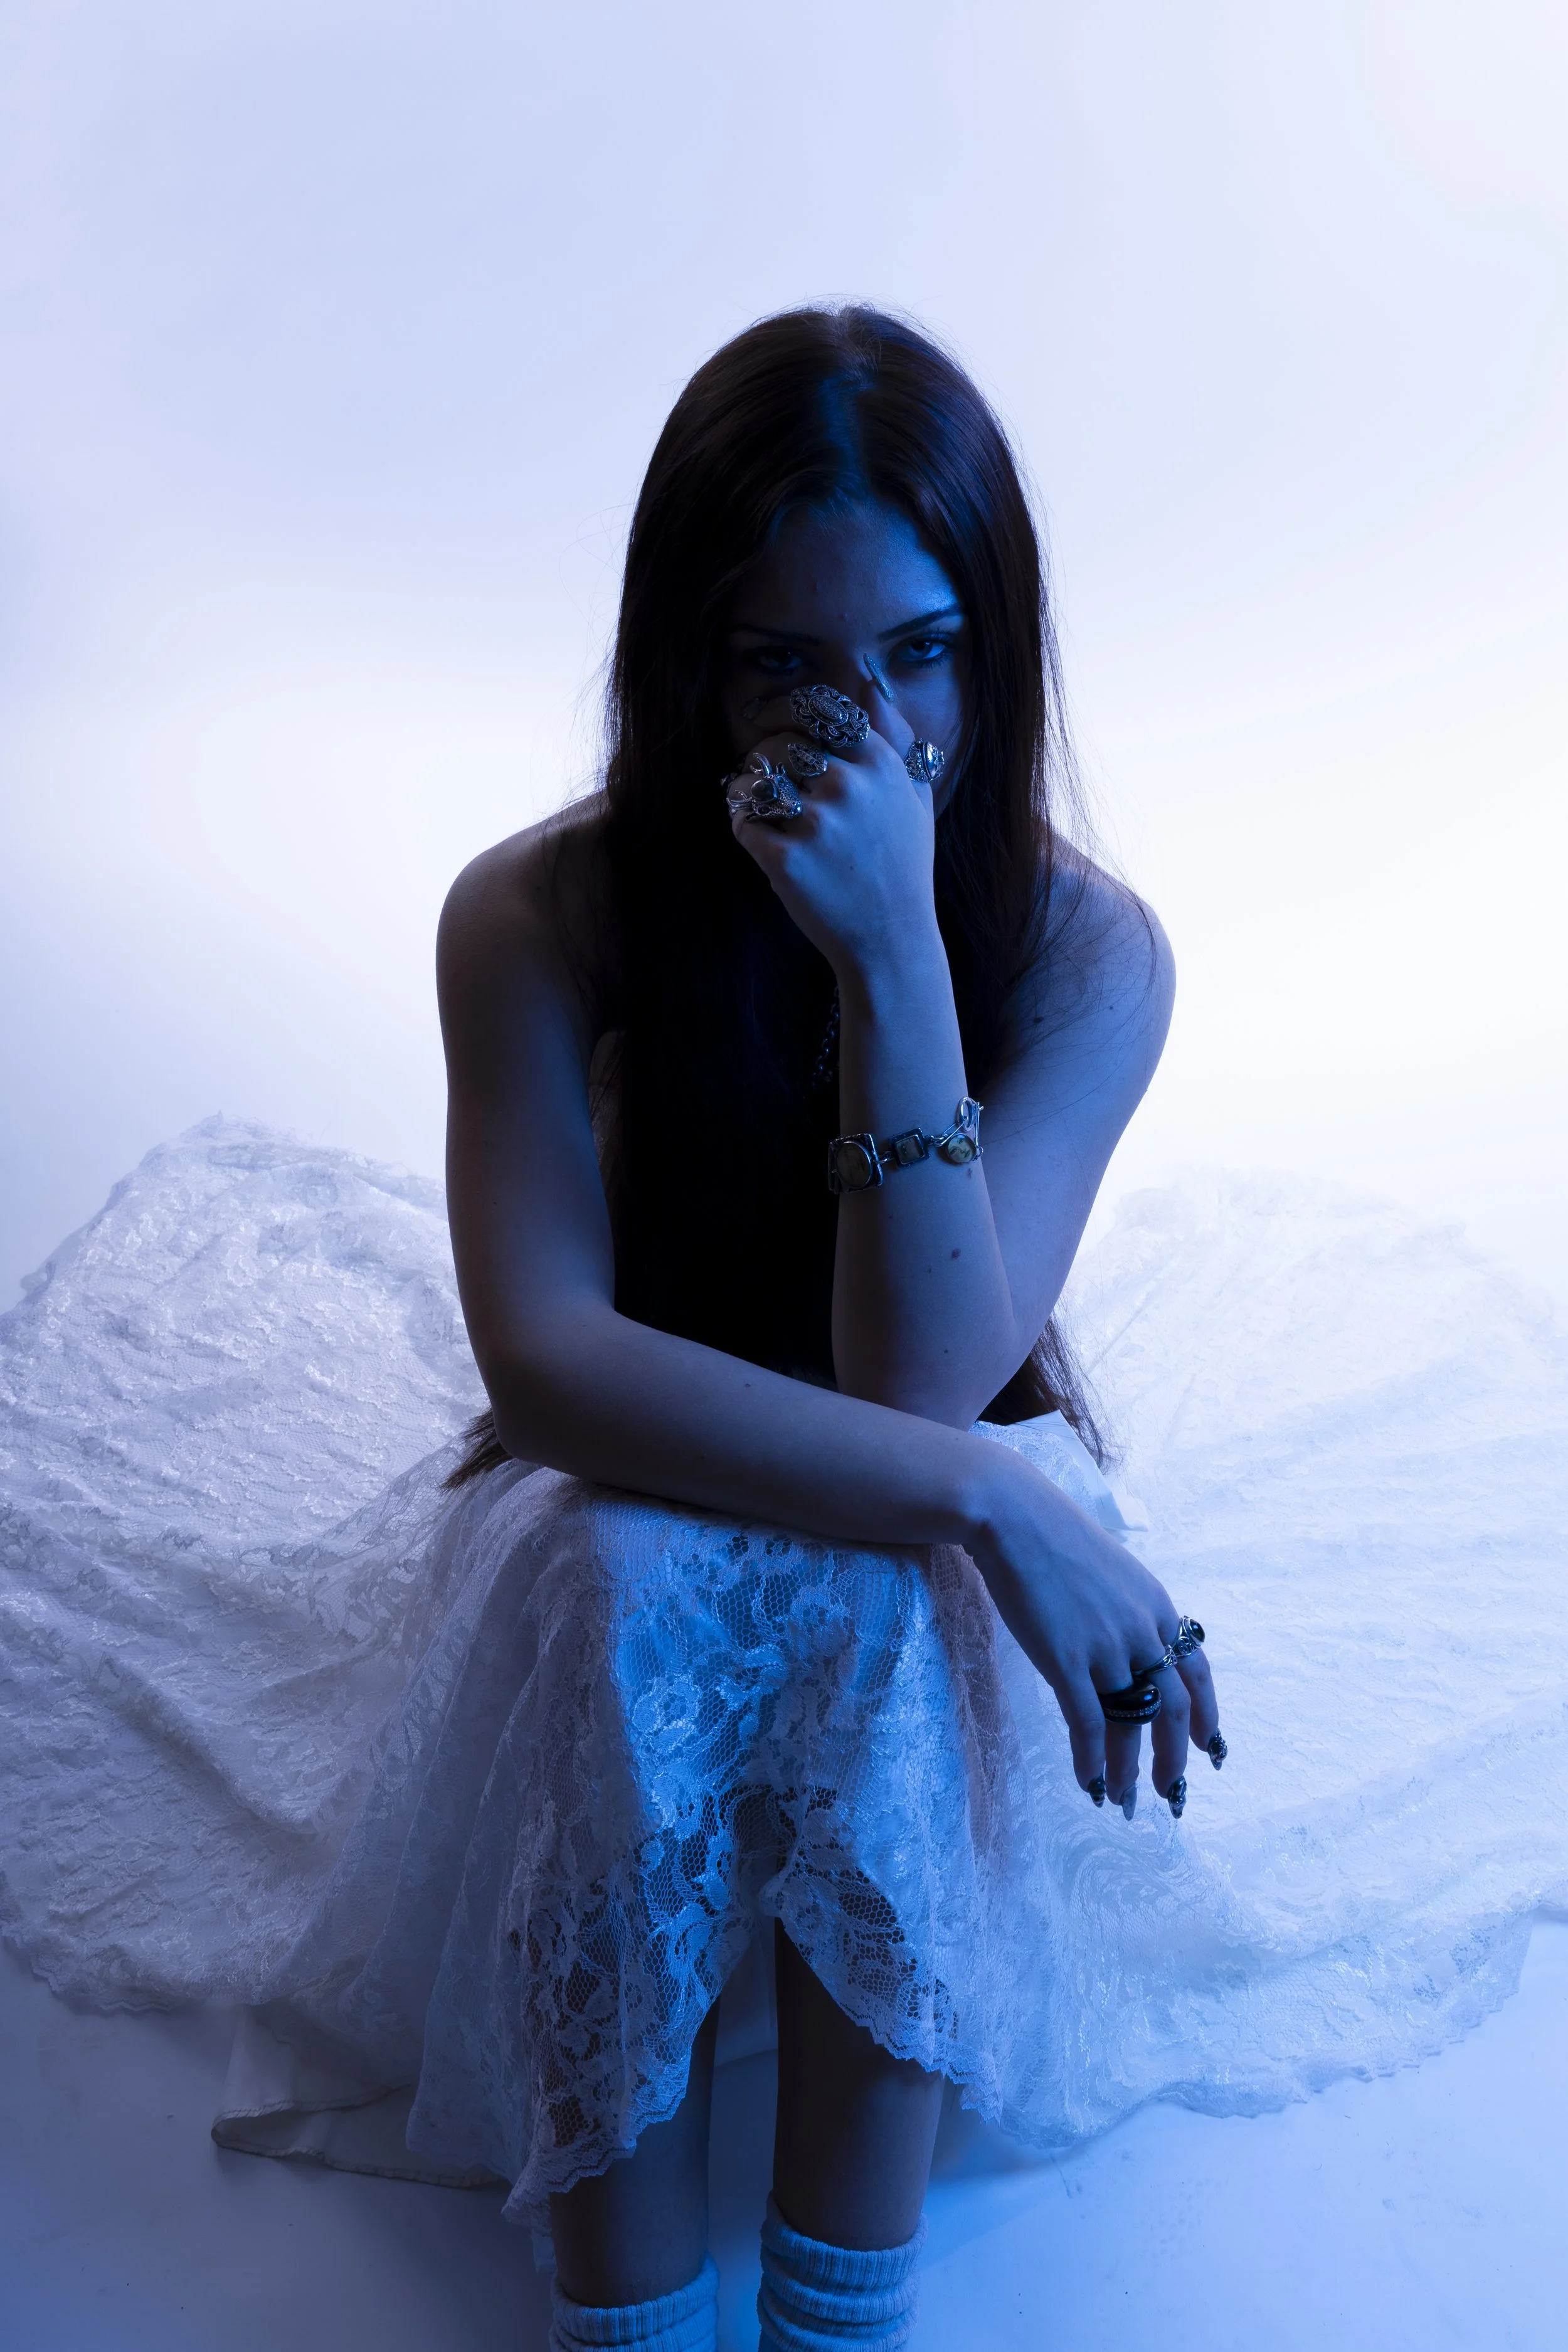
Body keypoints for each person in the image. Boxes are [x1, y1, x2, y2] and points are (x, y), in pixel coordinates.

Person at [428, 303, 1219, 2352]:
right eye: (785, 664)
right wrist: (989, 1496)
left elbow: (916, 1368)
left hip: (898, 1416)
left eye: (919, 655)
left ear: (999, 651)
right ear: (689, 659)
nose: (861, 730)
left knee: (885, 1619)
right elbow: (550, 1368)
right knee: (616, 1577)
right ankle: (626, 2314)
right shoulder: (539, 916)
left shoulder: (1085, 952)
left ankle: (837, 2315)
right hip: (646, 1453)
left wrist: (890, 946)